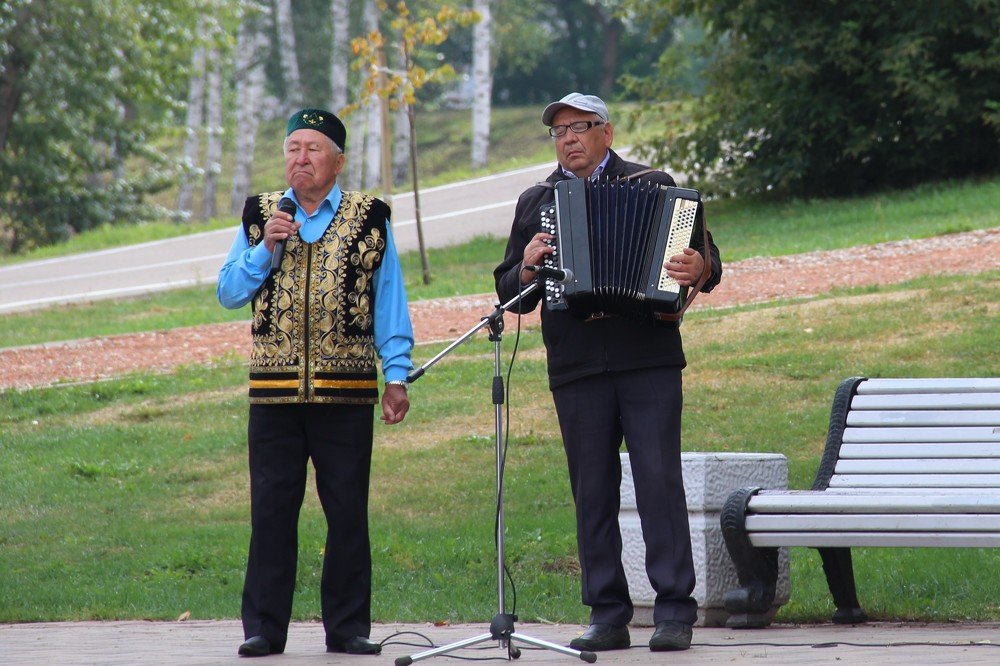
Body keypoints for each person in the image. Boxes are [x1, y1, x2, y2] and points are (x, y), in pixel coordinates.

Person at [493, 93, 722, 653]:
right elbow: (510, 294)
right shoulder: (537, 200)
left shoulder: (654, 185)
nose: (569, 138)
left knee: (658, 481)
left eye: (580, 128)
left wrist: (700, 266)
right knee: (591, 489)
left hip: (646, 357)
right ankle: (608, 613)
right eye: (559, 131)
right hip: (576, 365)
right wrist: (525, 265)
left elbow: (707, 262)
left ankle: (673, 610)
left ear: (606, 132)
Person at [217, 108, 414, 658]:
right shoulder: (261, 215)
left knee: (348, 511)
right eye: (292, 148)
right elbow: (229, 291)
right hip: (274, 395)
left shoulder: (369, 216)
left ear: (338, 160)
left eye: (313, 148)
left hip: (346, 393)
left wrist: (395, 374)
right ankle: (264, 628)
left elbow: (389, 299)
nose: (299, 159)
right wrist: (265, 249)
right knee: (271, 511)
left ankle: (348, 628)